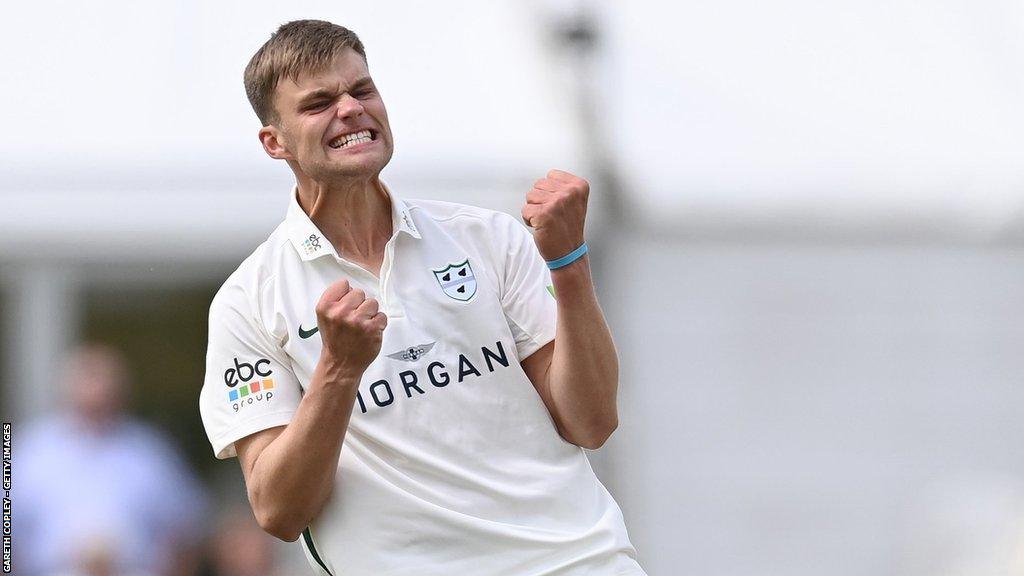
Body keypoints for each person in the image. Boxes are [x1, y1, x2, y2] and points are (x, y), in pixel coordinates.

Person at [198, 19, 646, 575]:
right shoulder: (248, 300)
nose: (351, 108)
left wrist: (569, 262)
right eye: (319, 103)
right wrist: (338, 370)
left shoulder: (487, 237)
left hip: (575, 562)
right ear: (275, 142)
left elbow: (592, 421)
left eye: (362, 90)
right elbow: (278, 509)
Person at [17, 343, 206, 576]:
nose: (96, 392)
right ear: (68, 389)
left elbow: (188, 527)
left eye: (104, 382)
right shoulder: (28, 450)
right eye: (88, 379)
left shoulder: (150, 451)